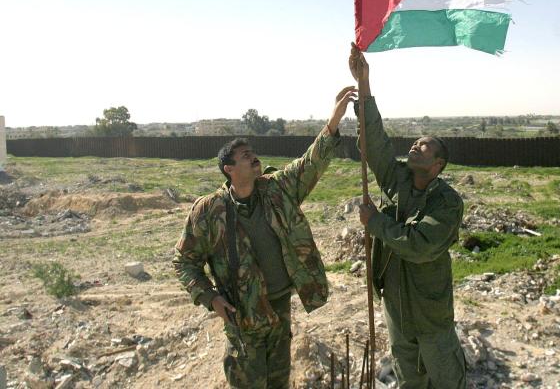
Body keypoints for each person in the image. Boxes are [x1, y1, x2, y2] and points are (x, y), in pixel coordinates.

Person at [172, 86, 357, 388]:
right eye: (246, 156)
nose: (254, 158)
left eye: (254, 154)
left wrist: (334, 119)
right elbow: (184, 262)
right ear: (229, 169)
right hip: (242, 317)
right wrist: (211, 298)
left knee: (279, 382)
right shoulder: (209, 210)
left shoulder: (276, 190)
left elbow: (311, 163)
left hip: (280, 310)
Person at [349, 44, 466, 388]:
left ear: (438, 164)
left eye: (425, 145)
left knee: (445, 380)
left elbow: (419, 246)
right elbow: (375, 142)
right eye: (415, 142)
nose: (415, 145)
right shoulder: (398, 181)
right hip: (397, 309)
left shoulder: (447, 203)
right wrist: (365, 83)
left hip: (431, 316)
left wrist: (376, 223)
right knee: (409, 380)